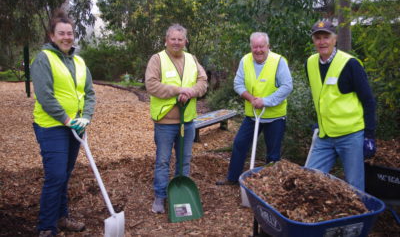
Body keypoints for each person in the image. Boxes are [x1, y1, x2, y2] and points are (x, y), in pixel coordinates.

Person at [31, 9, 96, 237]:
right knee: (56, 175)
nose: (67, 37)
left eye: (70, 33)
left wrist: (85, 116)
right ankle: (46, 227)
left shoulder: (79, 61)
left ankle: (61, 217)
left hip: (75, 127)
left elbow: (89, 93)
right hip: (52, 127)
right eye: (62, 33)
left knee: (65, 175)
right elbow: (45, 96)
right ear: (52, 36)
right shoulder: (43, 59)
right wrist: (68, 120)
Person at [304, 20, 376, 191]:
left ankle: (358, 217)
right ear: (314, 41)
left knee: (354, 186)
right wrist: (321, 122)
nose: (322, 42)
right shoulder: (310, 63)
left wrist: (369, 135)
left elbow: (368, 100)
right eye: (318, 38)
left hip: (350, 136)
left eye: (326, 37)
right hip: (325, 136)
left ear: (335, 39)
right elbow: (323, 96)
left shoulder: (350, 64)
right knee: (309, 180)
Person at [145, 24, 208, 213]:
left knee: (185, 160)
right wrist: (178, 91)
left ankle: (181, 194)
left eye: (180, 39)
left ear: (185, 42)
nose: (176, 42)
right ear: (166, 40)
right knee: (163, 160)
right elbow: (151, 85)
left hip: (187, 121)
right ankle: (160, 197)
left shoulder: (191, 59)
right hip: (165, 122)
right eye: (173, 39)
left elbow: (203, 82)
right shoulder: (157, 59)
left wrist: (190, 92)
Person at [216, 32, 293, 185]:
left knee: (273, 153)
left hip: (275, 117)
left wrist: (266, 101)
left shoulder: (278, 61)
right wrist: (252, 99)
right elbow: (238, 84)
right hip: (253, 115)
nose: (258, 50)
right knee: (239, 144)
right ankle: (233, 178)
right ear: (251, 47)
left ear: (268, 46)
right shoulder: (245, 60)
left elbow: (287, 86)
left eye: (261, 46)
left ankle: (271, 185)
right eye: (255, 47)